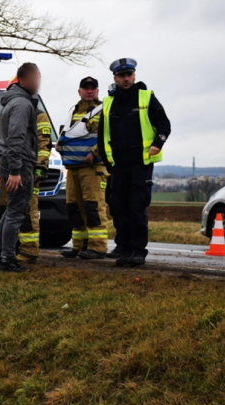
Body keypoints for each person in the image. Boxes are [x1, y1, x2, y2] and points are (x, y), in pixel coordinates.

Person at [99, 58, 171, 266]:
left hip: (140, 163)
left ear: (134, 75)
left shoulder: (146, 97)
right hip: (118, 164)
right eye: (122, 76)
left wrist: (158, 143)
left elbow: (164, 124)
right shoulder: (109, 102)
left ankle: (138, 251)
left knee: (136, 205)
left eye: (129, 75)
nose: (126, 79)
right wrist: (107, 160)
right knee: (118, 205)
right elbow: (102, 135)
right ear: (115, 78)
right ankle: (124, 246)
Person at [0, 63, 41, 273]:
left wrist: (5, 168)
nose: (38, 83)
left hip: (10, 163)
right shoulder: (22, 104)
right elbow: (16, 138)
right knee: (17, 211)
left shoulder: (13, 102)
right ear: (24, 79)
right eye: (36, 78)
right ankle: (7, 258)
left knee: (11, 209)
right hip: (20, 163)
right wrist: (16, 171)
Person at [57, 76, 109, 259]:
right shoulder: (73, 110)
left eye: (93, 88)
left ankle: (98, 247)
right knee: (74, 207)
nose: (89, 91)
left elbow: (108, 136)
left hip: (93, 167)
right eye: (86, 88)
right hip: (73, 167)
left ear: (97, 91)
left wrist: (95, 153)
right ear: (79, 91)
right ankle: (79, 245)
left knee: (93, 206)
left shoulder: (104, 110)